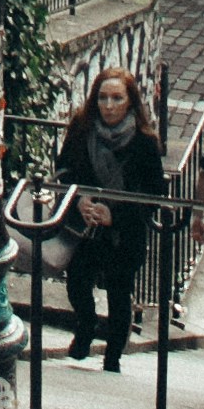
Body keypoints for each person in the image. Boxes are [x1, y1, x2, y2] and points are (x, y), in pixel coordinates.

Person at [55, 63, 163, 369]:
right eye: (103, 98)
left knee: (119, 290)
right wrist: (78, 199)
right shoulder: (82, 129)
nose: (109, 106)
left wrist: (115, 215)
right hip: (85, 229)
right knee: (77, 281)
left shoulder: (143, 141)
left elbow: (153, 193)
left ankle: (113, 355)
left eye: (117, 98)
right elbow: (63, 170)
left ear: (130, 101)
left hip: (123, 230)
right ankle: (84, 331)